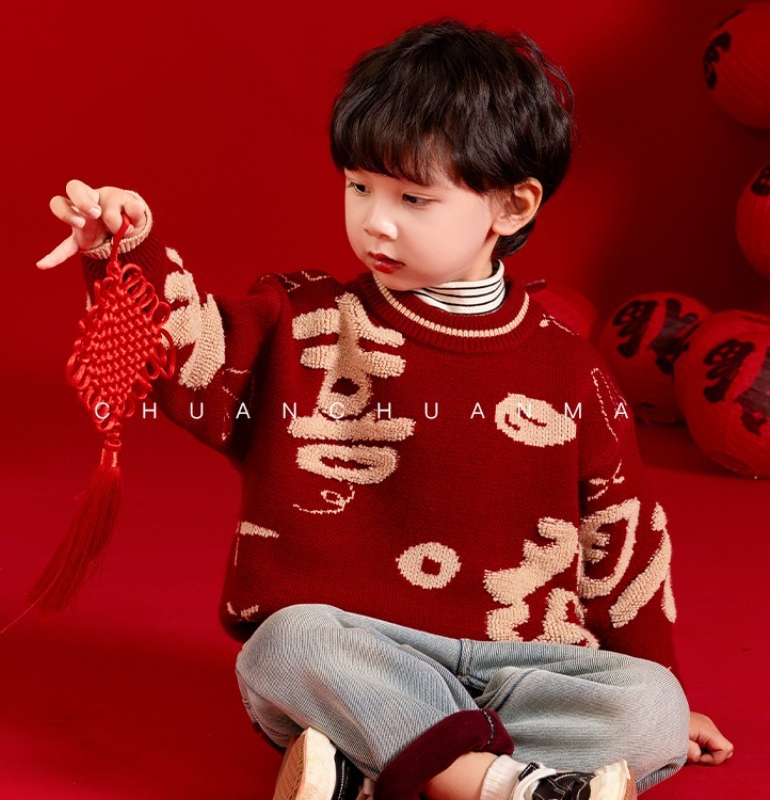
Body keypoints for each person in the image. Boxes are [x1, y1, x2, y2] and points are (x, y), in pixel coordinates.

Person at [36, 19, 732, 800]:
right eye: (359, 186)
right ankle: (499, 786)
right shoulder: (303, 324)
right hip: (357, 652)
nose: (376, 220)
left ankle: (369, 769)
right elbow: (188, 355)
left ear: (512, 205)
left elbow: (623, 541)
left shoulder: (573, 372)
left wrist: (664, 687)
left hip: (518, 666)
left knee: (650, 707)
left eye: (413, 198)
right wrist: (122, 248)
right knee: (283, 645)